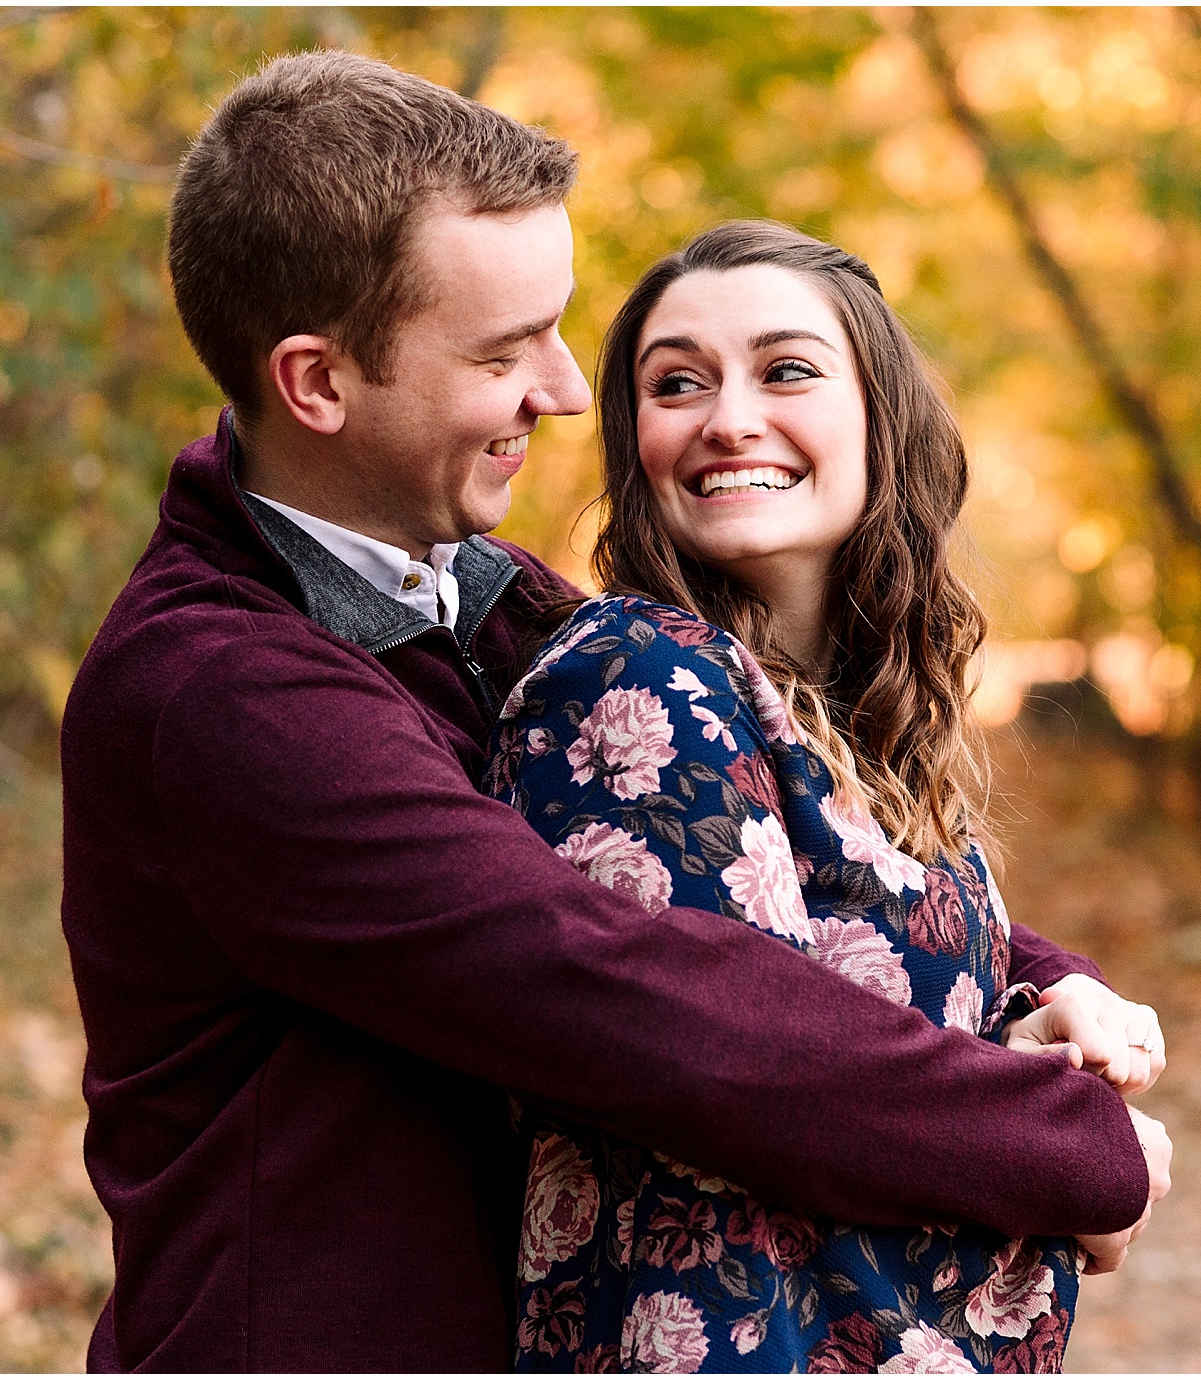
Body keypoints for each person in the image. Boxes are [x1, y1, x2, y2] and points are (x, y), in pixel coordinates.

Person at [60, 50, 1167, 1372]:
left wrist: (1044, 981)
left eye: (560, 325)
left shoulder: (480, 595)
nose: (570, 389)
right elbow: (625, 986)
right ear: (318, 384)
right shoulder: (217, 694)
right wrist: (1067, 1148)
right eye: (502, 349)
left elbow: (799, 848)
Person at [487, 221, 1164, 1374]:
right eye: (677, 383)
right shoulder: (636, 676)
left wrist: (1041, 1007)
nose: (729, 418)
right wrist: (1085, 1161)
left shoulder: (859, 723)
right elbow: (751, 1078)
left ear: (877, 419)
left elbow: (882, 1024)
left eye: (785, 370)